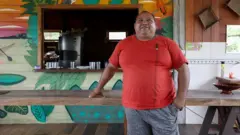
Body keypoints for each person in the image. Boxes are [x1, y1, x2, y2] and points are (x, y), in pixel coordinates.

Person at [89, 11, 190, 135]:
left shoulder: (168, 44)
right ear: (135, 25)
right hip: (133, 110)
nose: (144, 23)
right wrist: (98, 89)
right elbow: (110, 68)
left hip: (163, 107)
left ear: (155, 25)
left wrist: (181, 98)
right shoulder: (123, 44)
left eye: (149, 20)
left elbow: (183, 69)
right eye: (140, 20)